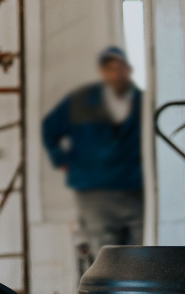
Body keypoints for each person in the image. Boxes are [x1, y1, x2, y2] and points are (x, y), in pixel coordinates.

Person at [42, 45, 145, 264]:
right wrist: (61, 160)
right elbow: (50, 128)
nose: (116, 73)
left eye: (120, 67)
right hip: (94, 190)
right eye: (110, 68)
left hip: (134, 189)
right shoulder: (80, 101)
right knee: (105, 255)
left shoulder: (143, 102)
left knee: (140, 255)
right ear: (102, 71)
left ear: (128, 69)